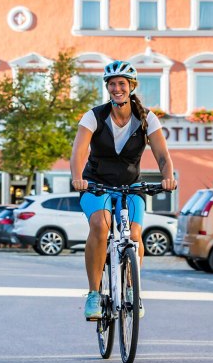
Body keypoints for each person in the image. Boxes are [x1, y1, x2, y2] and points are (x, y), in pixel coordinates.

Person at [69, 60, 177, 321]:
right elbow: (79, 152)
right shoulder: (94, 116)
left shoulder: (146, 118)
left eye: (122, 84)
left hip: (131, 186)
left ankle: (131, 289)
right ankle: (94, 293)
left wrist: (168, 177)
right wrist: (77, 178)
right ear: (107, 88)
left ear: (131, 86)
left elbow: (162, 155)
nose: (117, 88)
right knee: (100, 225)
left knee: (135, 235)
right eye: (112, 84)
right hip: (96, 185)